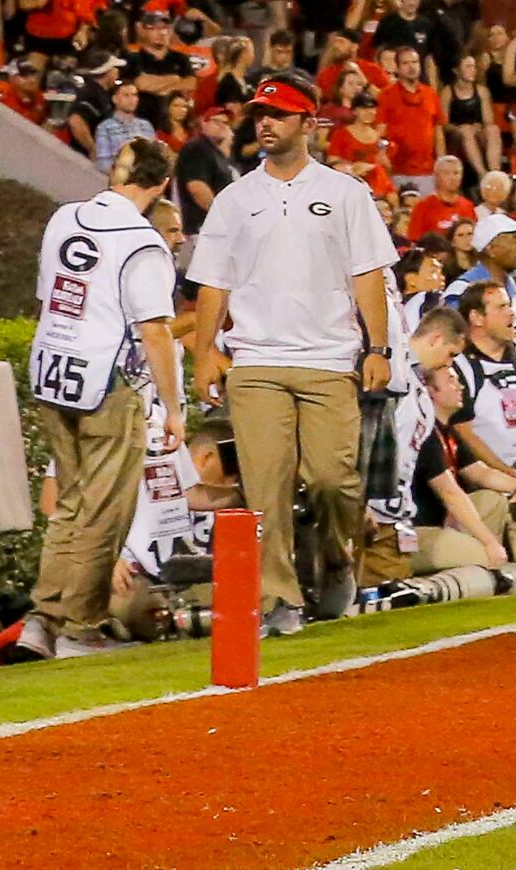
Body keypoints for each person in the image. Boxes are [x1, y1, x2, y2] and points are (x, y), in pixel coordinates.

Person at [183, 74, 398, 635]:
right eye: (260, 114)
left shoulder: (347, 194)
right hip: (255, 362)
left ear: (309, 122)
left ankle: (332, 557)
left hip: (329, 359)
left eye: (278, 114)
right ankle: (278, 598)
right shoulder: (234, 198)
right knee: (265, 486)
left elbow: (368, 275)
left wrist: (378, 347)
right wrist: (205, 354)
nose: (265, 123)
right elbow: (212, 284)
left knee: (333, 480)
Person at [18, 139, 185, 658]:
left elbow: (48, 298)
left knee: (69, 504)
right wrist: (175, 406)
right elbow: (154, 332)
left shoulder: (63, 218)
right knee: (103, 510)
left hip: (50, 370)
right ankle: (79, 629)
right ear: (161, 186)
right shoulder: (143, 241)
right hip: (106, 381)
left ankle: (41, 622)